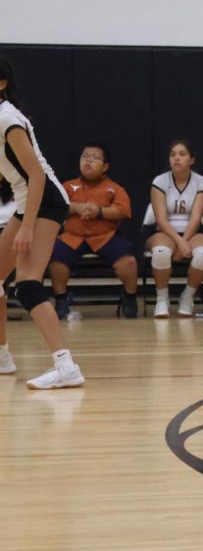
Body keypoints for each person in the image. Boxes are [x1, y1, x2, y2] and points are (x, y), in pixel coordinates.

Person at [0, 56, 86, 389]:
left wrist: (26, 225)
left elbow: (36, 176)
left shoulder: (7, 119)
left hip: (45, 202)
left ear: (3, 83)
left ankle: (66, 366)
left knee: (28, 285)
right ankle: (3, 357)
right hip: (27, 203)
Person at [49, 142, 139, 319]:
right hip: (73, 236)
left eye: (94, 158)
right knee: (56, 259)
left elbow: (123, 211)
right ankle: (61, 299)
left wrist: (99, 211)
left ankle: (130, 297)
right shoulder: (67, 186)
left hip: (105, 236)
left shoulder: (115, 188)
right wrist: (76, 208)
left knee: (128, 262)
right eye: (84, 157)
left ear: (105, 166)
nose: (88, 161)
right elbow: (55, 206)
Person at [145, 141, 203, 318]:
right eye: (173, 154)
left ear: (192, 159)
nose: (176, 158)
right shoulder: (160, 181)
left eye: (182, 154)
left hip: (193, 230)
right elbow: (160, 218)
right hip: (164, 231)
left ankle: (187, 297)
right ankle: (162, 299)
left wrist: (184, 242)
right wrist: (179, 242)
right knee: (161, 251)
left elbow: (196, 216)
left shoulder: (201, 181)